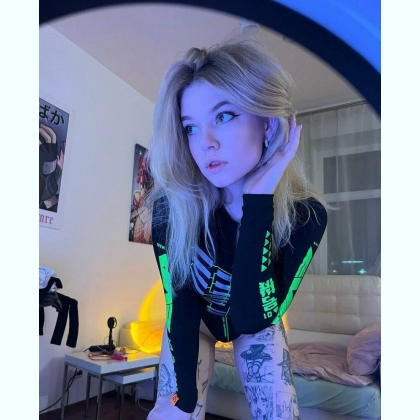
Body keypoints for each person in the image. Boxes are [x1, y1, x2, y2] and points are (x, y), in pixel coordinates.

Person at [144, 36, 328, 420]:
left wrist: (256, 205)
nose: (205, 143)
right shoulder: (171, 208)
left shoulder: (306, 216)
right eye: (190, 128)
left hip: (255, 323)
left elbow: (253, 318)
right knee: (173, 414)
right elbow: (181, 304)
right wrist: (184, 402)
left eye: (224, 116)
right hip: (194, 321)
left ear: (267, 123)